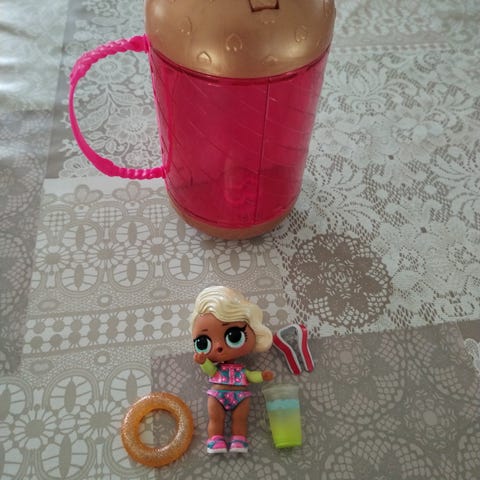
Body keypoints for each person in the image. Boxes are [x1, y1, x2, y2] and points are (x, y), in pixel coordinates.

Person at [190, 286, 274, 453]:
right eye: (203, 342)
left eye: (234, 336)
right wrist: (203, 361)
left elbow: (250, 376)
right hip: (217, 396)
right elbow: (210, 370)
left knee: (240, 419)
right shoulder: (217, 369)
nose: (219, 347)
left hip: (241, 397)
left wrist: (262, 376)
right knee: (216, 419)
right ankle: (215, 440)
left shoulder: (242, 370)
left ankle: (239, 440)